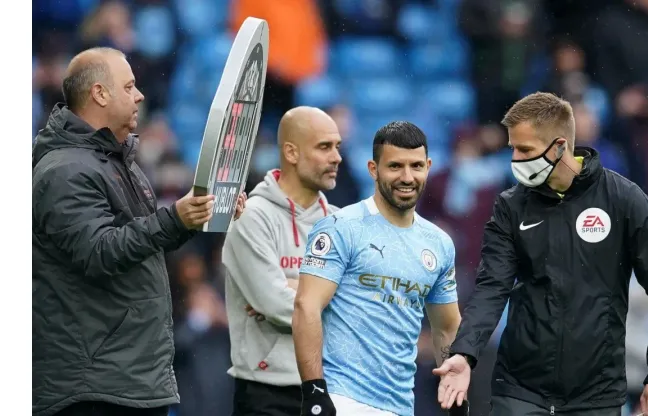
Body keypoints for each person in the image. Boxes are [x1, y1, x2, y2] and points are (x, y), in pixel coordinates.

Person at [433, 92, 648, 416]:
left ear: (557, 147)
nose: (515, 159)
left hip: (596, 396)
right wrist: (465, 353)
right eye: (513, 147)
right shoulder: (510, 206)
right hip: (519, 393)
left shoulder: (624, 200)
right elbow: (491, 288)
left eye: (524, 149)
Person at [32, 47, 246, 416]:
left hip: (129, 379)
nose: (140, 95)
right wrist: (175, 219)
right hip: (93, 388)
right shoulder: (65, 170)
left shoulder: (117, 162)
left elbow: (143, 244)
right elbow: (100, 252)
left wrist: (196, 215)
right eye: (129, 86)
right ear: (99, 93)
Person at [292, 121, 468, 416]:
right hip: (341, 399)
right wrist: (314, 390)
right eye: (395, 166)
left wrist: (456, 394)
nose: (407, 177)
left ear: (428, 166)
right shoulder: (340, 228)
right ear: (373, 169)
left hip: (400, 405)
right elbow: (305, 306)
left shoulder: (439, 244)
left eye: (416, 166)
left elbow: (446, 326)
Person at [221, 106, 342, 416]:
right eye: (324, 147)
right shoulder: (252, 218)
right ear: (291, 152)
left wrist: (298, 288)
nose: (337, 157)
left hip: (334, 386)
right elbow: (278, 306)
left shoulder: (343, 224)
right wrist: (331, 295)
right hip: (267, 393)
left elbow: (368, 305)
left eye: (337, 147)